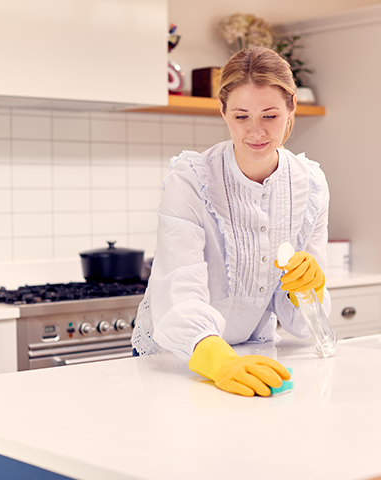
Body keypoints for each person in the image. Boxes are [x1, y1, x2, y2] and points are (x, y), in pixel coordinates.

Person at [131, 45, 330, 397]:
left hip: (255, 354)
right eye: (241, 116)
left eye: (270, 116)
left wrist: (308, 291)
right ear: (223, 112)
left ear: (291, 108)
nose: (256, 131)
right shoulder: (191, 178)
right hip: (181, 359)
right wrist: (219, 362)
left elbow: (303, 326)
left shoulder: (310, 185)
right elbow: (180, 290)